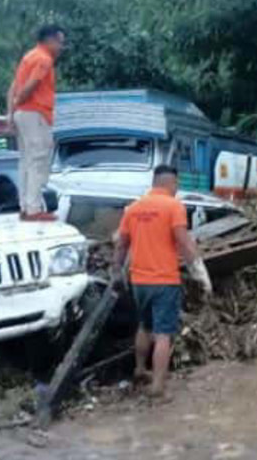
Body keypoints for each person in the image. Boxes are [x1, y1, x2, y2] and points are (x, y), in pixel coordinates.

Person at [111, 165, 212, 398]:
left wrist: (116, 270)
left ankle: (139, 369)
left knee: (145, 326)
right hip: (164, 280)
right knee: (163, 333)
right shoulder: (173, 206)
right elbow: (184, 242)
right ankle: (158, 387)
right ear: (171, 183)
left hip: (139, 280)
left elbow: (121, 243)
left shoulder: (134, 208)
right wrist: (199, 272)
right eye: (176, 185)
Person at [7, 24, 65, 222]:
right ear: (50, 40)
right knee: (39, 159)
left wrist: (12, 111)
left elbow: (14, 86)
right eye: (60, 42)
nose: (61, 47)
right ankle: (34, 208)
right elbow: (31, 85)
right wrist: (20, 101)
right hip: (36, 113)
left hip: (23, 114)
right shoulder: (44, 59)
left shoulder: (28, 57)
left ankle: (25, 206)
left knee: (26, 160)